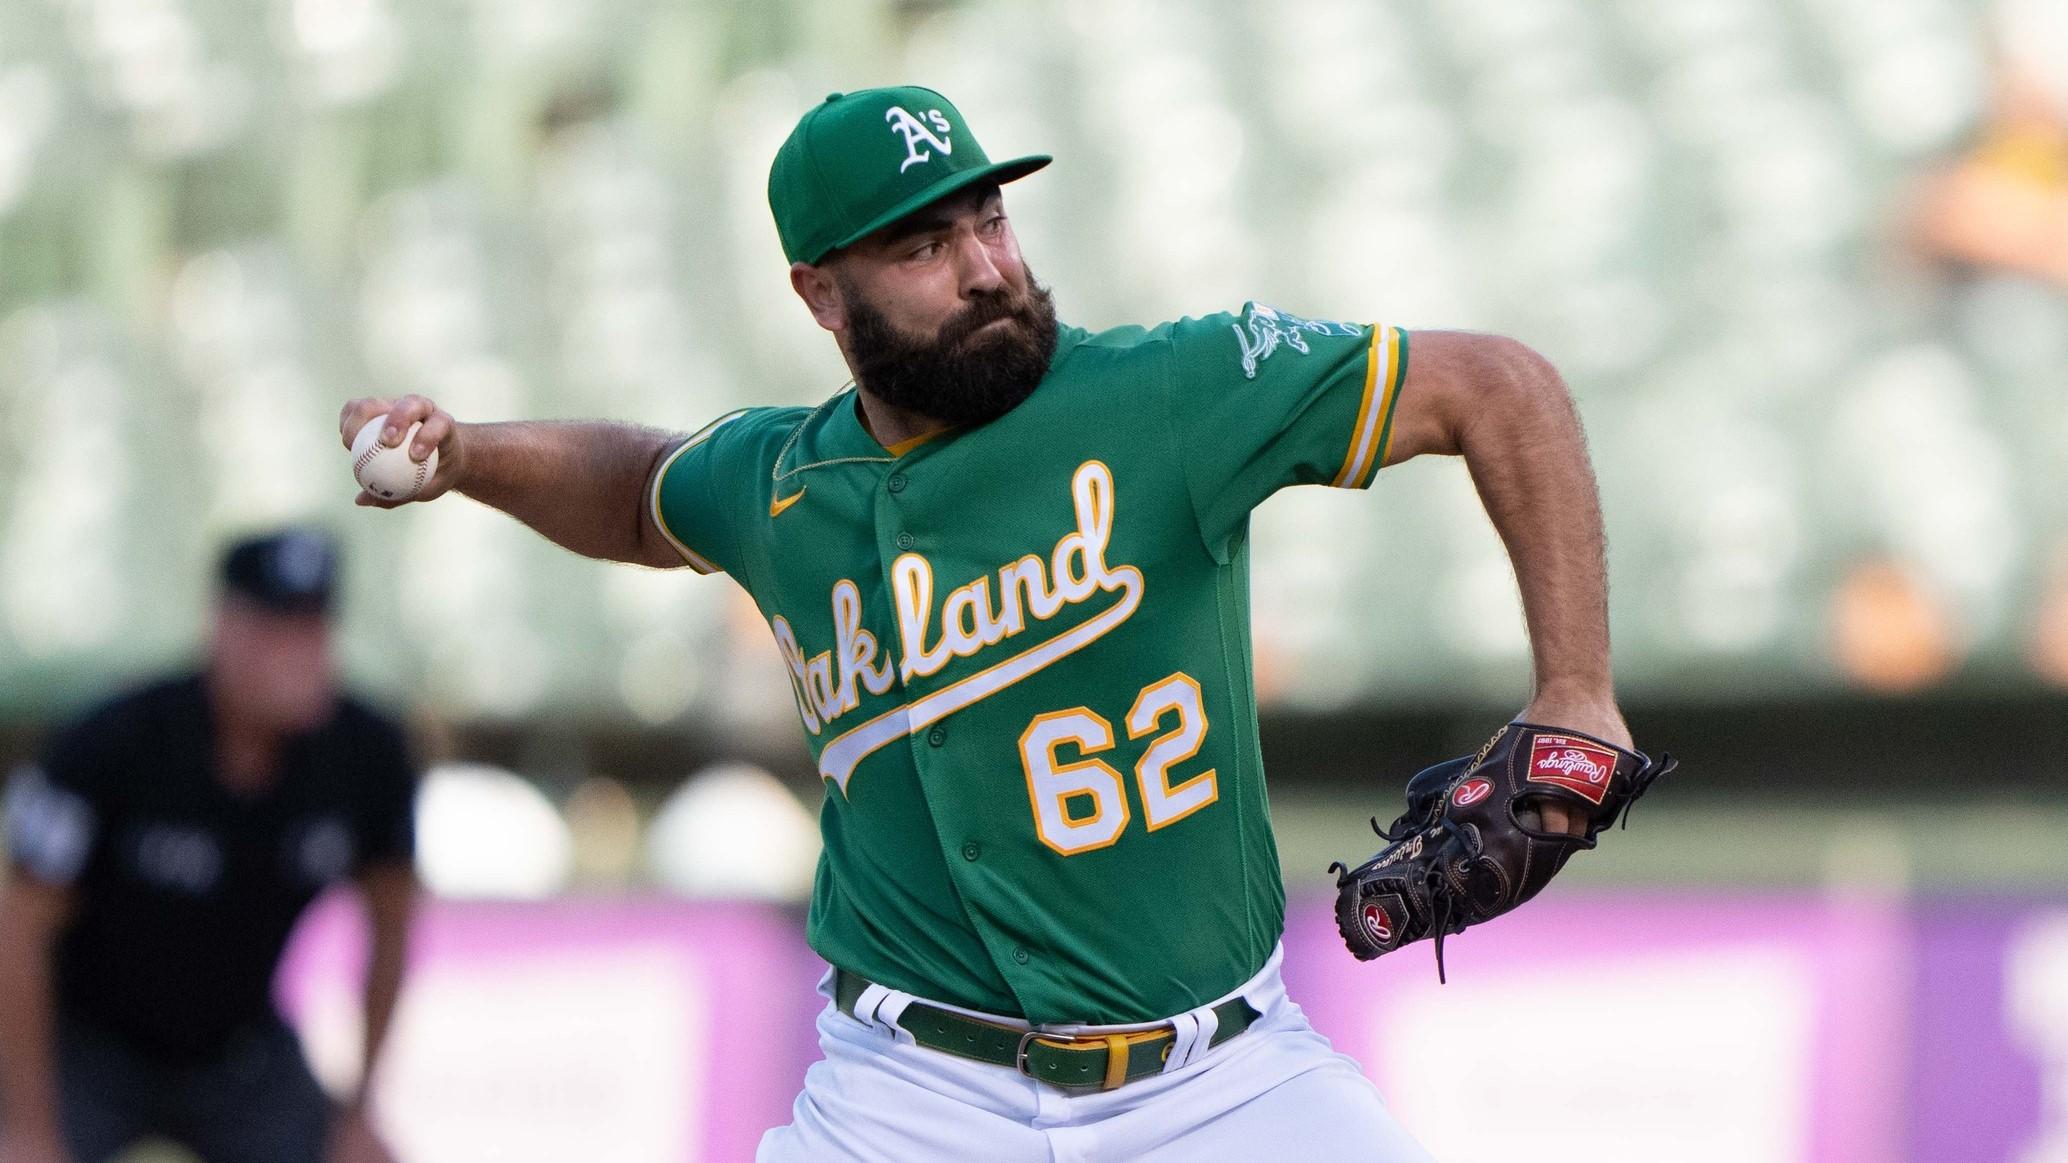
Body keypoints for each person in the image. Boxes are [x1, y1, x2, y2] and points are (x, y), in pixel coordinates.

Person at [334, 85, 1648, 1161]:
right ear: (821, 296)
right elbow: (637, 491)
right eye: (921, 246)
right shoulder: (781, 482)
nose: (986, 269)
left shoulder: (1172, 392)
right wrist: (471, 453)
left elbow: (1498, 384)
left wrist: (1576, 686)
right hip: (909, 1097)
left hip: (1224, 1085)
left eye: (990, 219)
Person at [0, 530, 418, 1163]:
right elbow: (19, 930)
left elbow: (392, 923)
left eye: (313, 631)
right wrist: (28, 1127)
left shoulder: (367, 755)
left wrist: (359, 1110)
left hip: (242, 1050)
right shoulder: (114, 741)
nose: (298, 656)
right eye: (275, 630)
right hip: (83, 1044)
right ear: (223, 629)